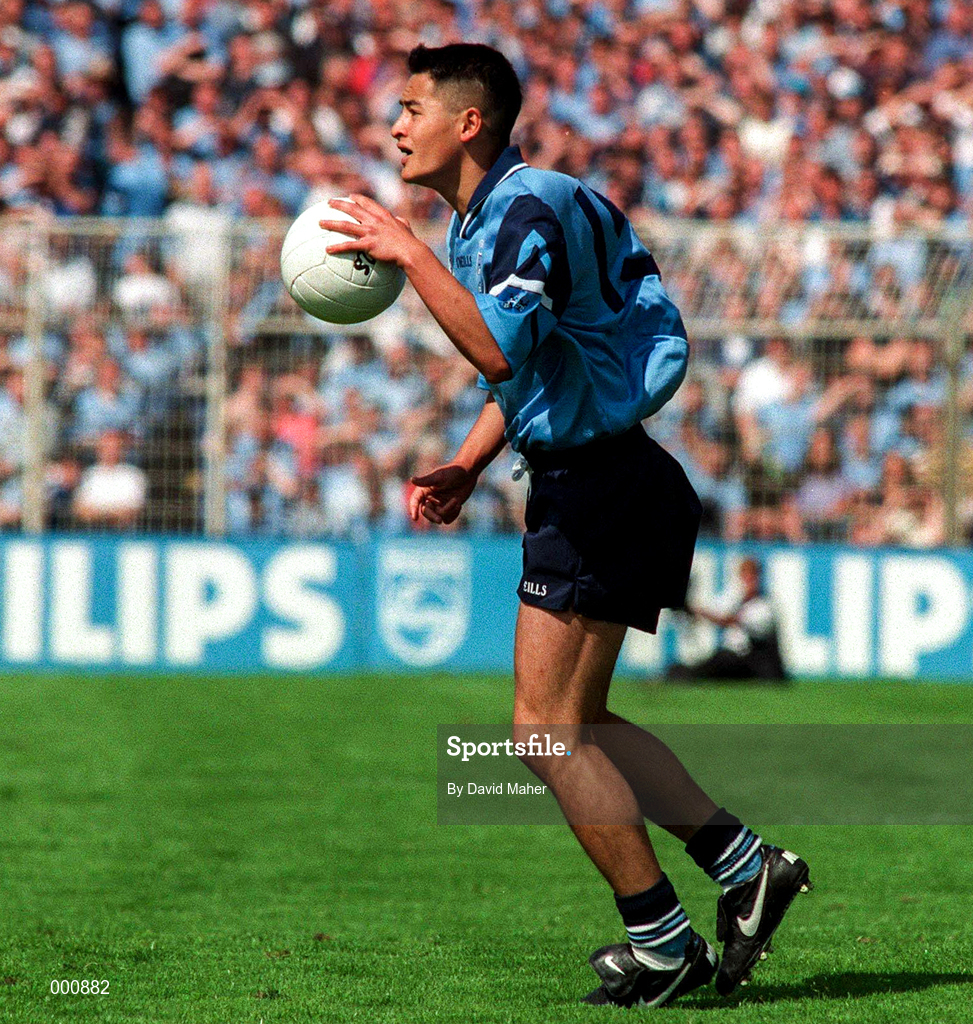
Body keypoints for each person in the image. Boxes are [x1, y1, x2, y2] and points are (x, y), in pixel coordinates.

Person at [319, 43, 811, 1007]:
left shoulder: (522, 209)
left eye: (411, 107)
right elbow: (528, 368)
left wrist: (407, 253)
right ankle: (744, 868)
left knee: (543, 735)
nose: (393, 127)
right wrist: (466, 461)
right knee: (573, 725)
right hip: (602, 478)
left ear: (469, 122)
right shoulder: (491, 219)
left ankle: (664, 946)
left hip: (603, 486)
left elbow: (499, 351)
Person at [666, 558, 789, 683]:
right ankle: (679, 673)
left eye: (752, 578)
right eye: (745, 577)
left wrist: (700, 612)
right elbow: (715, 610)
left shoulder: (764, 606)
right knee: (715, 665)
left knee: (722, 662)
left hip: (753, 661)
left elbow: (729, 619)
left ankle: (680, 674)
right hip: (736, 659)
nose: (749, 582)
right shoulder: (735, 600)